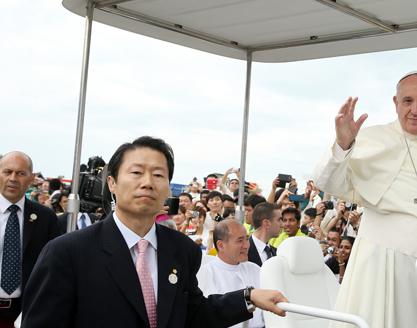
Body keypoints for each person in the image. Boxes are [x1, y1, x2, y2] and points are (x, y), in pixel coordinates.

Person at [21, 136, 287, 328]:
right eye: (136, 172)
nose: (148, 182)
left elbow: (192, 314)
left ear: (168, 187)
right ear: (112, 183)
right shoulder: (67, 252)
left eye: (158, 175)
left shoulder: (182, 250)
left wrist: (248, 297)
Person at [311, 71, 417, 328]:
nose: (415, 110)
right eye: (407, 101)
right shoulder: (369, 138)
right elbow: (327, 182)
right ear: (396, 103)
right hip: (385, 265)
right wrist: (342, 144)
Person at [0, 152, 61, 326]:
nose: (13, 178)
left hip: (27, 314)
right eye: (7, 172)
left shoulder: (46, 218)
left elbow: (55, 268)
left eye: (20, 173)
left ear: (31, 178)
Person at [197, 220, 264, 328]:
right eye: (240, 241)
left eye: (247, 239)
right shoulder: (206, 274)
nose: (246, 245)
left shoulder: (256, 269)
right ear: (221, 245)